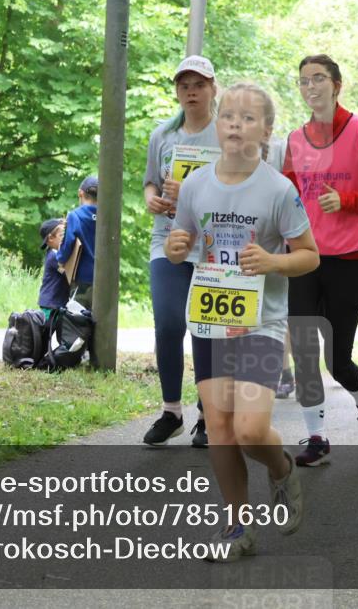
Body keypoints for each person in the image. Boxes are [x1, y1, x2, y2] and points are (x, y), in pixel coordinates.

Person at [166, 82, 318, 561]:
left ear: (267, 132)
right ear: (218, 125)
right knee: (221, 428)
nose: (234, 123)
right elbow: (185, 240)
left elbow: (310, 256)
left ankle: (281, 469)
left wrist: (273, 263)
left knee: (251, 430)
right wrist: (176, 248)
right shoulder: (195, 185)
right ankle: (237, 528)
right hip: (211, 317)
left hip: (261, 321)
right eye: (228, 115)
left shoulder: (279, 189)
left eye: (247, 118)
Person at [282, 54, 358, 464]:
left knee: (337, 359)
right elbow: (285, 195)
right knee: (303, 350)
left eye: (318, 79)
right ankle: (316, 437)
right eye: (303, 81)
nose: (310, 87)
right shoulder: (295, 141)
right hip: (304, 258)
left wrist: (347, 200)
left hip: (349, 261)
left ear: (337, 85)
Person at [142, 55, 218, 448]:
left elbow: (239, 186)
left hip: (212, 246)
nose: (191, 91)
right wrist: (153, 199)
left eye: (198, 84)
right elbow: (150, 183)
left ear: (212, 89)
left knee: (206, 328)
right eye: (183, 85)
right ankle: (171, 411)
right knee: (169, 323)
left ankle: (208, 416)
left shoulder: (226, 135)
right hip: (167, 240)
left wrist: (192, 194)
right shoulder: (163, 135)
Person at [56, 175, 98, 310]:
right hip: (104, 279)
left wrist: (60, 258)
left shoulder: (75, 216)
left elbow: (68, 244)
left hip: (82, 278)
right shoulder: (107, 216)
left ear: (81, 193)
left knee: (79, 322)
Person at [37, 218, 70, 319]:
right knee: (46, 332)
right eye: (62, 236)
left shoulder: (57, 254)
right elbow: (68, 272)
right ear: (51, 238)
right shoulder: (54, 256)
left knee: (62, 331)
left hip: (58, 303)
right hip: (50, 304)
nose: (65, 239)